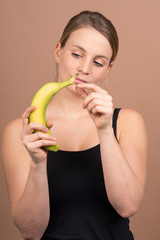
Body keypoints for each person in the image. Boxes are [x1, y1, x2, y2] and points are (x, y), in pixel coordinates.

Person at [1, 10, 147, 240]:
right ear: (58, 51)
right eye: (77, 55)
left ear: (108, 69)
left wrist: (105, 132)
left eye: (98, 62)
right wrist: (38, 164)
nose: (85, 68)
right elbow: (30, 232)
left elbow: (127, 206)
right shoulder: (20, 132)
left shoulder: (126, 123)